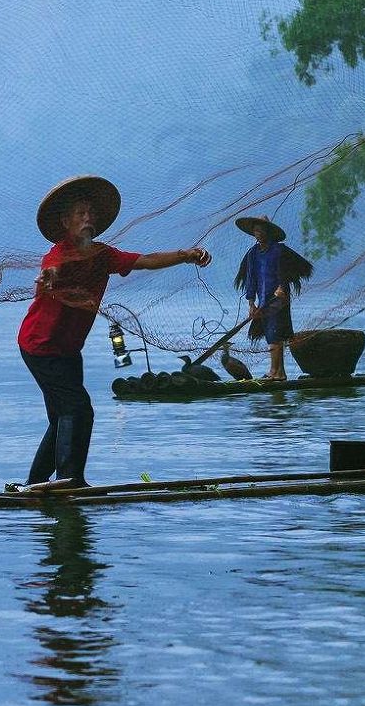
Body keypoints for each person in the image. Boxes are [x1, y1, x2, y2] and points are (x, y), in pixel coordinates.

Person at [17, 175, 210, 491]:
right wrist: (49, 278)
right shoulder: (58, 253)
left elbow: (145, 261)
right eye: (80, 213)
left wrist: (185, 255)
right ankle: (69, 480)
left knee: (62, 416)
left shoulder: (104, 255)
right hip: (41, 345)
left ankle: (36, 482)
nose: (87, 218)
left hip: (67, 350)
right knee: (78, 409)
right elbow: (50, 268)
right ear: (66, 222)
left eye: (90, 213)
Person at [233, 215, 314, 381]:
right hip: (263, 300)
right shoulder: (252, 254)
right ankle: (280, 373)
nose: (259, 234)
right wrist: (251, 303)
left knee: (274, 332)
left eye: (262, 230)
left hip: (279, 299)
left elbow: (299, 268)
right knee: (272, 334)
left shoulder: (279, 250)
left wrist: (282, 286)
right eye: (256, 231)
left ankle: (274, 372)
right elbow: (251, 279)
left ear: (268, 232)